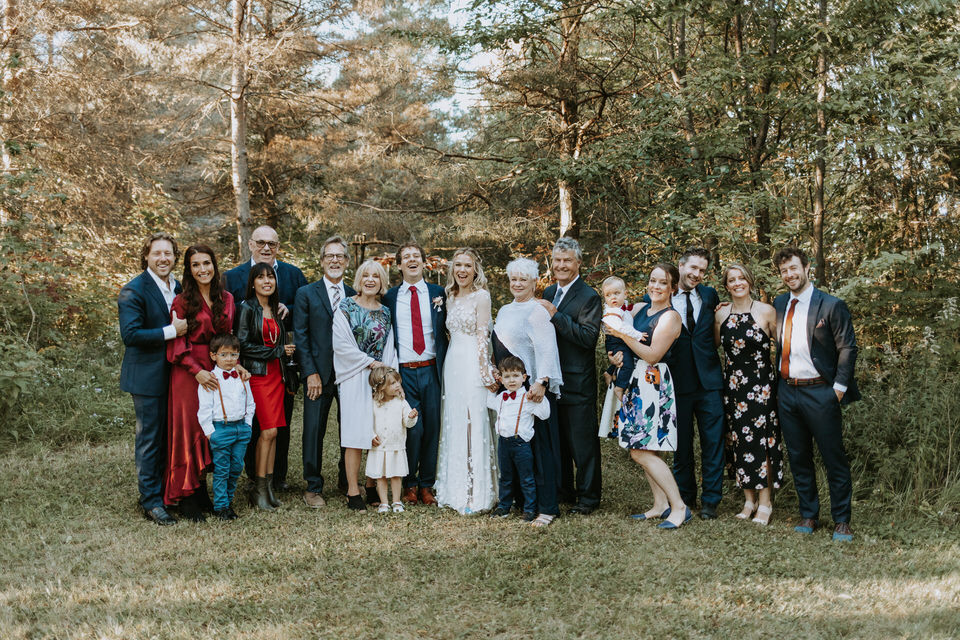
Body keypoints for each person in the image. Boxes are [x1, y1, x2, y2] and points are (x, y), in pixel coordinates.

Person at [773, 247, 860, 541]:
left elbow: (848, 347)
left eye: (794, 268)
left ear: (807, 267)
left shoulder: (831, 305)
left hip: (821, 392)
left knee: (833, 456)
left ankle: (842, 520)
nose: (789, 275)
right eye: (784, 271)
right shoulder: (780, 303)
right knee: (798, 456)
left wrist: (837, 389)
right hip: (787, 391)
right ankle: (809, 514)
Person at [605, 264, 691, 529]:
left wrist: (621, 334)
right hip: (634, 380)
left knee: (639, 451)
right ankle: (660, 504)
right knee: (648, 447)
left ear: (672, 287)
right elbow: (614, 327)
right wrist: (614, 355)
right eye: (652, 280)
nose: (655, 286)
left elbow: (653, 354)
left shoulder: (671, 317)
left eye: (663, 282)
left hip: (653, 383)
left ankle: (679, 506)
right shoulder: (641, 309)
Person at [224, 225, 307, 494]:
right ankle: (253, 477)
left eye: (272, 243)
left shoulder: (294, 275)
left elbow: (303, 312)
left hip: (282, 371)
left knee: (279, 426)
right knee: (253, 425)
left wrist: (288, 308)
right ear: (250, 244)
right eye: (260, 242)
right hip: (252, 369)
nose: (266, 248)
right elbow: (234, 326)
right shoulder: (232, 277)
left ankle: (275, 477)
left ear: (278, 246)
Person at [118, 232, 186, 525]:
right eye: (157, 253)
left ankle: (168, 493)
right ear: (146, 256)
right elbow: (130, 335)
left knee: (169, 437)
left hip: (176, 376)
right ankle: (150, 501)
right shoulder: (133, 290)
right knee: (150, 439)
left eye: (168, 253)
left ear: (175, 257)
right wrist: (172, 332)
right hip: (147, 377)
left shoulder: (178, 286)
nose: (163, 258)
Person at [165, 245, 235, 521]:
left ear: (215, 266)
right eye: (196, 265)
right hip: (188, 372)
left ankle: (202, 489)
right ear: (189, 270)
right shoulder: (181, 302)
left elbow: (228, 337)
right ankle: (187, 497)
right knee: (190, 429)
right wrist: (196, 371)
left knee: (212, 428)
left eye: (207, 263)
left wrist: (228, 365)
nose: (203, 269)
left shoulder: (227, 298)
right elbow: (175, 345)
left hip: (216, 369)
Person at [492, 257, 564, 527]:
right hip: (511, 387)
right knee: (518, 450)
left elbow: (546, 348)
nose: (518, 283)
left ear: (535, 282)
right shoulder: (504, 310)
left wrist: (541, 382)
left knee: (540, 449)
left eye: (524, 279)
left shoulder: (537, 310)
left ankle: (546, 507)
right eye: (514, 279)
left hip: (532, 390)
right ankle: (523, 502)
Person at [714, 263, 784, 525]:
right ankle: (748, 500)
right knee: (740, 441)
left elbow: (783, 348)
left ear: (750, 281)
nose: (737, 283)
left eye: (741, 278)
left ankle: (765, 503)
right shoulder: (721, 315)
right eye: (731, 280)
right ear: (727, 286)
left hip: (762, 387)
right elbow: (713, 348)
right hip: (733, 387)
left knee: (763, 441)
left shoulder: (766, 311)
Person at [539, 237, 603, 515]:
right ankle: (564, 490)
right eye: (557, 260)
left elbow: (588, 338)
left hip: (578, 381)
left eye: (567, 260)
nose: (562, 265)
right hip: (552, 380)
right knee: (559, 442)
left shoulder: (589, 296)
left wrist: (555, 315)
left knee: (582, 444)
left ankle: (588, 498)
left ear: (578, 263)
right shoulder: (548, 290)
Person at [382, 242, 448, 506]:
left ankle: (426, 485)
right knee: (413, 428)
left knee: (432, 427)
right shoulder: (389, 297)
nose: (411, 260)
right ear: (399, 264)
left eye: (416, 256)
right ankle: (409, 483)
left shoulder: (439, 293)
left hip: (432, 369)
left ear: (424, 263)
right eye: (406, 257)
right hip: (404, 372)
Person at [434, 248, 499, 515]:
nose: (462, 270)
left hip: (474, 363)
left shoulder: (481, 297)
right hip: (453, 364)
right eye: (458, 265)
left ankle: (477, 493)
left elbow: (483, 335)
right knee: (455, 421)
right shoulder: (448, 297)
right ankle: (455, 489)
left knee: (475, 422)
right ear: (452, 269)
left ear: (475, 270)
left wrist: (485, 371)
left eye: (467, 266)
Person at [294, 235, 356, 508]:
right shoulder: (306, 293)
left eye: (339, 256)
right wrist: (310, 373)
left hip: (349, 374)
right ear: (321, 261)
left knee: (351, 429)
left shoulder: (355, 294)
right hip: (318, 374)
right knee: (313, 430)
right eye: (329, 256)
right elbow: (301, 336)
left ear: (346, 262)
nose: (334, 260)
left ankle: (347, 480)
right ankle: (313, 485)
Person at [333, 259, 399, 512]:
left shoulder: (385, 311)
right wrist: (370, 362)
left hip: (380, 377)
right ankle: (352, 491)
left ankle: (372, 483)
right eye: (366, 275)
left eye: (376, 276)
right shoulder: (346, 307)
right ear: (358, 280)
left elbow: (390, 345)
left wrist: (388, 374)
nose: (370, 280)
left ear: (382, 282)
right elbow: (341, 344)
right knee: (355, 435)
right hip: (354, 375)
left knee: (378, 429)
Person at [237, 262, 296, 510]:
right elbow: (241, 345)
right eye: (260, 278)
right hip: (259, 376)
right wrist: (276, 351)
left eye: (270, 277)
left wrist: (282, 353)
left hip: (277, 377)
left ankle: (269, 486)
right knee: (268, 431)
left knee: (274, 433)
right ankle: (257, 487)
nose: (266, 281)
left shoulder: (275, 309)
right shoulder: (247, 308)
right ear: (253, 283)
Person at [196, 333, 255, 520]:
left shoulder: (241, 377)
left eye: (233, 355)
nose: (229, 359)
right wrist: (210, 432)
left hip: (241, 428)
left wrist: (248, 424)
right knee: (222, 469)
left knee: (236, 467)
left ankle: (228, 501)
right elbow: (204, 409)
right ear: (213, 355)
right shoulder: (210, 379)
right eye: (224, 355)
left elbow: (250, 403)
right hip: (220, 429)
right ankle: (221, 507)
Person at [487, 356, 550, 522]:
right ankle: (504, 507)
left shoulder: (527, 398)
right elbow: (489, 403)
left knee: (526, 478)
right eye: (507, 377)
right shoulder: (501, 398)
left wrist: (540, 399)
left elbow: (544, 415)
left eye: (515, 376)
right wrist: (493, 387)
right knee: (505, 477)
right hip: (504, 443)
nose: (511, 380)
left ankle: (529, 509)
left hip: (521, 444)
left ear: (524, 377)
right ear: (501, 379)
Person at [367, 366, 419, 514]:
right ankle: (384, 502)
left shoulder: (401, 402)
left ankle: (396, 501)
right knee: (381, 476)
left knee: (396, 475)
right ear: (381, 388)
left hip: (396, 445)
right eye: (392, 383)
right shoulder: (374, 403)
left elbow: (407, 422)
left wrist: (411, 417)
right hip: (380, 447)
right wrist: (371, 435)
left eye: (397, 382)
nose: (397, 385)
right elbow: (367, 422)